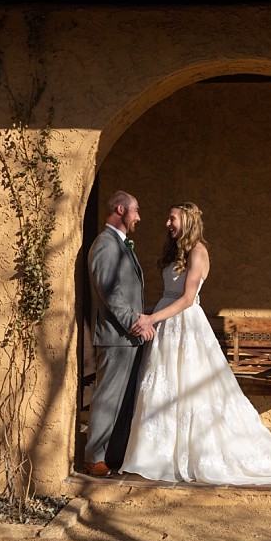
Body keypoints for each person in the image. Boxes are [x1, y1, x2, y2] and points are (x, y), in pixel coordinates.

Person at [119, 202, 271, 485]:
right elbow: (169, 296)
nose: (167, 223)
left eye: (172, 218)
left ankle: (193, 452)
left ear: (187, 221)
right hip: (168, 328)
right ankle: (156, 455)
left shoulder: (199, 252)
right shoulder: (178, 252)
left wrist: (152, 319)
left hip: (186, 328)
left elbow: (187, 299)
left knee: (190, 388)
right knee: (164, 387)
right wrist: (146, 312)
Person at [84, 190, 156, 477]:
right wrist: (133, 322)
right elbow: (110, 292)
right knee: (108, 397)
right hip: (116, 337)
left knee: (123, 399)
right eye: (135, 210)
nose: (139, 216)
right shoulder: (105, 245)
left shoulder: (120, 244)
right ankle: (94, 457)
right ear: (120, 209)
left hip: (128, 337)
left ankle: (112, 455)